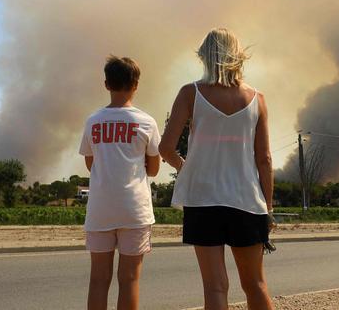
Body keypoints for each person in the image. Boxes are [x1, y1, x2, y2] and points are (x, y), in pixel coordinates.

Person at [159, 28, 275, 310]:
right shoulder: (257, 99)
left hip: (203, 200)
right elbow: (265, 159)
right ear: (237, 56)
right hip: (247, 201)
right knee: (255, 285)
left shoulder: (190, 93)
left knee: (214, 287)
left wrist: (186, 167)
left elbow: (165, 149)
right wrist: (268, 209)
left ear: (204, 57)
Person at [79, 56, 161, 310]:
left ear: (106, 84)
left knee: (98, 280)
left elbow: (90, 163)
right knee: (129, 280)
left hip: (100, 208)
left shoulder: (93, 121)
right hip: (134, 210)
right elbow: (155, 169)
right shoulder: (146, 122)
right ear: (136, 84)